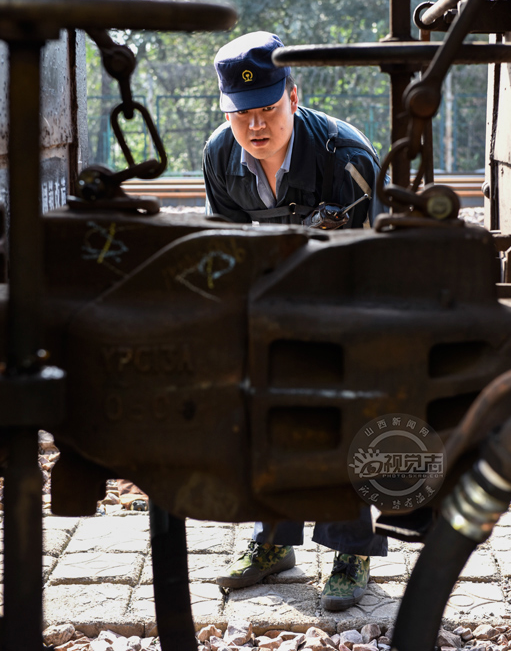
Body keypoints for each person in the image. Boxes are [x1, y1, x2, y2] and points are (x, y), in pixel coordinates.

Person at [202, 31, 388, 612]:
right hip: (272, 297)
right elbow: (227, 250)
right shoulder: (218, 156)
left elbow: (362, 263)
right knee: (257, 395)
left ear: (294, 95)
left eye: (267, 109)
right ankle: (272, 540)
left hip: (351, 298)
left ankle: (350, 546)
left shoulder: (345, 155)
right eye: (241, 114)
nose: (255, 126)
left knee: (340, 401)